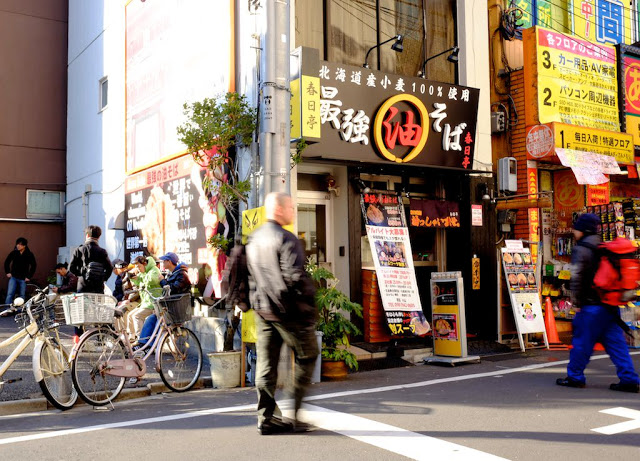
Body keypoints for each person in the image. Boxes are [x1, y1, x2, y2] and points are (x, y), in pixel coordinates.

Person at [246, 192, 318, 435]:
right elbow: (294, 277)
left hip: (263, 310)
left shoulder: (254, 238)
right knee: (307, 355)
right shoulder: (286, 238)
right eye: (290, 207)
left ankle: (265, 418)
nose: (293, 211)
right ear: (278, 210)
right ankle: (293, 417)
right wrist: (309, 305)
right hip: (288, 312)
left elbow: (250, 277)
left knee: (266, 365)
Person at [556, 213, 639, 393]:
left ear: (583, 229)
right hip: (609, 305)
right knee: (617, 344)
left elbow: (577, 277)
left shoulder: (582, 249)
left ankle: (575, 377)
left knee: (582, 343)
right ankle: (629, 379)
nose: (573, 231)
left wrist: (576, 302)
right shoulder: (604, 247)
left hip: (591, 307)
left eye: (576, 227)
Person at [136, 252, 190, 347]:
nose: (163, 263)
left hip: (177, 310)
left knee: (159, 322)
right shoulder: (173, 274)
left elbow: (172, 289)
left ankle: (152, 346)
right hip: (169, 308)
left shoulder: (182, 274)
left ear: (169, 261)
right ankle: (143, 344)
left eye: (164, 261)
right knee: (151, 319)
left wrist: (162, 280)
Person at [126, 255, 162, 341]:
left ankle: (141, 340)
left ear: (145, 264)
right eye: (136, 267)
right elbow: (139, 282)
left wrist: (140, 277)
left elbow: (152, 280)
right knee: (130, 315)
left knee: (137, 316)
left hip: (153, 302)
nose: (137, 268)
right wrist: (133, 278)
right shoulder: (144, 273)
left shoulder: (154, 270)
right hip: (146, 302)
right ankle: (132, 338)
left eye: (139, 266)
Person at [69, 225, 113, 294]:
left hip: (83, 285)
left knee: (83, 304)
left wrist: (81, 274)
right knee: (97, 304)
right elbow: (110, 268)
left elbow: (71, 268)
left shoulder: (79, 250)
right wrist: (102, 278)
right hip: (98, 287)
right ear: (99, 237)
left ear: (87, 235)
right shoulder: (102, 251)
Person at [4, 237, 37, 306]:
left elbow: (33, 265)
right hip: (14, 277)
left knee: (22, 295)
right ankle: (7, 310)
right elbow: (7, 262)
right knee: (10, 293)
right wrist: (8, 272)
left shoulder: (29, 254)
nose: (18, 246)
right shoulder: (14, 253)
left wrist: (29, 276)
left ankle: (20, 311)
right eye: (17, 244)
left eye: (20, 244)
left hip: (23, 278)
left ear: (24, 246)